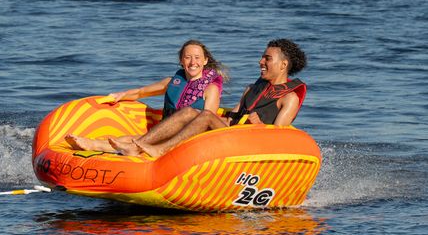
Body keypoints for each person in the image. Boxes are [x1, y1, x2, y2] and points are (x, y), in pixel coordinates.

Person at [116, 39, 307, 158]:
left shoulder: (289, 98)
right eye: (262, 57)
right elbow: (233, 118)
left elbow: (278, 139)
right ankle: (136, 147)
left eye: (267, 58)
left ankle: (160, 150)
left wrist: (259, 126)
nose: (261, 61)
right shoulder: (252, 88)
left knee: (206, 115)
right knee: (190, 112)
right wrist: (220, 119)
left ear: (283, 65)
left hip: (250, 146)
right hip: (232, 136)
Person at [65, 40, 227, 152]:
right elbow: (141, 92)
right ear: (181, 61)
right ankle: (94, 145)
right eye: (188, 57)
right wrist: (120, 95)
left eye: (197, 58)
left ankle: (130, 147)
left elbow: (206, 123)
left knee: (186, 114)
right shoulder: (172, 82)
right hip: (168, 131)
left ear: (205, 61)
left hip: (191, 138)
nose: (193, 62)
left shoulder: (211, 88)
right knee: (129, 138)